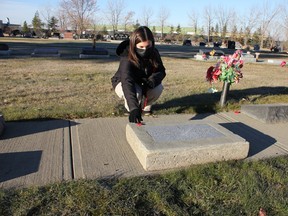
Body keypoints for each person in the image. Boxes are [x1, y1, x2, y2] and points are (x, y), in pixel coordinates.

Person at [111, 26, 166, 123]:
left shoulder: (154, 52)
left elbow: (161, 70)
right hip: (122, 82)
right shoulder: (126, 56)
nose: (145, 50)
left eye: (148, 46)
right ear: (134, 45)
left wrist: (153, 80)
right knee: (136, 94)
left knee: (158, 88)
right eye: (141, 47)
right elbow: (127, 81)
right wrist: (133, 109)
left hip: (144, 82)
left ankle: (145, 107)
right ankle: (131, 108)